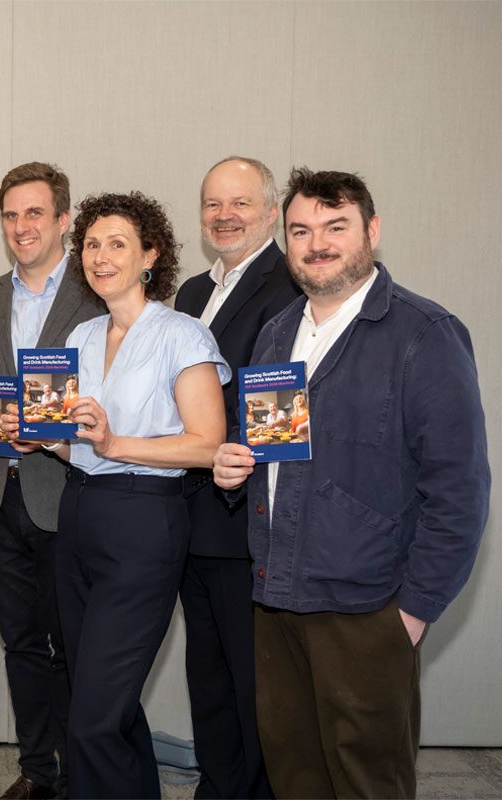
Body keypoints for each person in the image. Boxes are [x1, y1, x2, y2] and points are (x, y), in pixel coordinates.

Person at [213, 168, 489, 798]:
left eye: (335, 227)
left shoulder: (424, 334)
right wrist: (233, 469)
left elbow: (461, 492)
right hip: (277, 599)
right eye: (301, 231)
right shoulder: (277, 334)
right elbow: (267, 451)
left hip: (368, 611)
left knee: (369, 784)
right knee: (295, 776)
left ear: (372, 231)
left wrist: (412, 613)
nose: (317, 244)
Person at [36, 191, 228, 799]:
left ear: (150, 256)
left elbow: (207, 444)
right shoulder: (81, 335)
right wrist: (37, 436)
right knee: (101, 700)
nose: (100, 256)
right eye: (91, 244)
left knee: (95, 716)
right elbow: (82, 447)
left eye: (117, 244)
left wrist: (115, 443)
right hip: (79, 511)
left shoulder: (183, 335)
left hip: (144, 523)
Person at [0, 162, 105, 800]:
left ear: (63, 220)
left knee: (74, 646)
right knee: (21, 645)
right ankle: (37, 772)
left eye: (34, 213)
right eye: (10, 214)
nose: (21, 226)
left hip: (68, 496)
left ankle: (79, 775)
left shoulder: (97, 292)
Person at [173, 156, 300, 799]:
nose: (224, 216)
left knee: (255, 685)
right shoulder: (191, 293)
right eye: (213, 204)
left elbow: (284, 409)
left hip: (246, 519)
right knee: (209, 678)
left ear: (271, 212)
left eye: (240, 203)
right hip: (190, 517)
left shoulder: (293, 286)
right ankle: (218, 788)